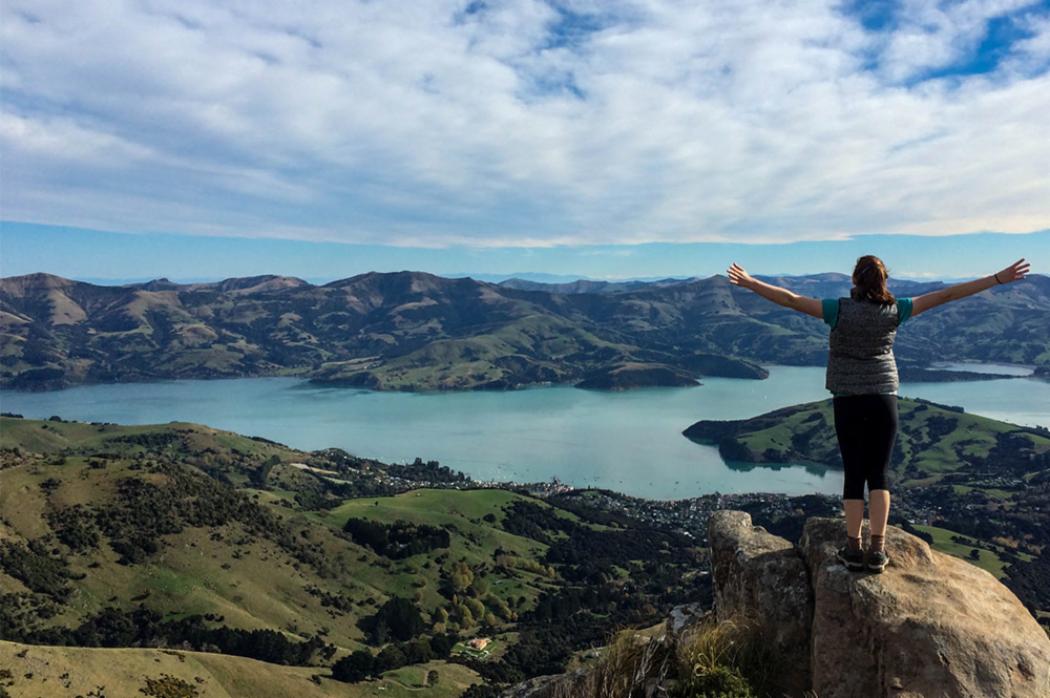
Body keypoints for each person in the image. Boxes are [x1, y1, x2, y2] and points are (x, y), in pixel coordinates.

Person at [726, 256, 1030, 573]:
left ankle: (854, 548)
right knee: (879, 474)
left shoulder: (837, 310)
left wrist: (750, 283)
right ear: (884, 282)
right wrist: (996, 279)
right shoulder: (896, 309)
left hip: (848, 399)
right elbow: (947, 295)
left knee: (854, 474)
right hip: (884, 398)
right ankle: (878, 549)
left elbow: (789, 300)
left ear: (855, 280)